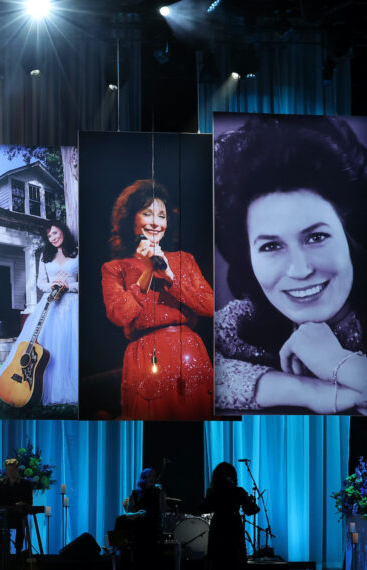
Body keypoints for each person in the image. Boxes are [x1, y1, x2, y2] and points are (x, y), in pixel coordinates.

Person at [214, 115, 367, 413]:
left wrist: (339, 363)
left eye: (316, 237)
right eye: (271, 246)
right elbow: (177, 375)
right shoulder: (240, 322)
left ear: (350, 234)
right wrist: (308, 391)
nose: (300, 270)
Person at [101, 179, 214, 420]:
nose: (155, 222)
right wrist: (146, 272)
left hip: (189, 353)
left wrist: (171, 276)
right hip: (144, 357)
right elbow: (118, 315)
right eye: (147, 214)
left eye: (162, 215)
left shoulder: (184, 259)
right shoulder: (115, 268)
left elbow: (211, 305)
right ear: (131, 219)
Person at [0, 220, 79, 408]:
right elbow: (40, 283)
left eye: (55, 233)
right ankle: (40, 384)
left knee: (69, 345)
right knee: (46, 344)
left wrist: (69, 286)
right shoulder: (45, 256)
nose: (53, 238)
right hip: (50, 305)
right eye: (49, 236)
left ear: (63, 232)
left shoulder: (77, 252)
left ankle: (69, 384)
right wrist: (52, 285)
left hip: (72, 305)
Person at [200, 462, 260, 570]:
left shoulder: (215, 492)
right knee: (233, 557)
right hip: (231, 524)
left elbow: (203, 508)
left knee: (221, 558)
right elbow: (250, 511)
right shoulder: (236, 491)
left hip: (221, 524)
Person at [123, 467, 166, 569]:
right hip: (140, 535)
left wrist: (162, 494)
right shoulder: (135, 494)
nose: (153, 478)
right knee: (140, 563)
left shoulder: (158, 493)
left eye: (155, 476)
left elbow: (163, 510)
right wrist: (137, 513)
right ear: (144, 478)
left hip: (154, 534)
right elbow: (128, 515)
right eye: (151, 475)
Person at [0, 458, 33, 562]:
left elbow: (30, 502)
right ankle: (3, 551)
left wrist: (22, 504)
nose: (10, 473)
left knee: (20, 522)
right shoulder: (1, 484)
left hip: (19, 514)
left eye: (12, 470)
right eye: (8, 470)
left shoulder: (26, 484)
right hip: (5, 513)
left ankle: (18, 552)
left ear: (17, 470)